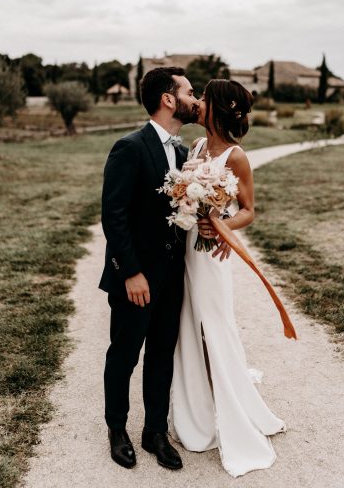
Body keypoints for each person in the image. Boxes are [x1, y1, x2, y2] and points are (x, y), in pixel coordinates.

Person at [169, 79, 286, 478]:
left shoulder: (237, 157)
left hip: (212, 257)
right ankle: (196, 416)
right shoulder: (198, 148)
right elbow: (189, 195)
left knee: (215, 328)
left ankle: (233, 413)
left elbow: (249, 210)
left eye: (203, 98)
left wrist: (220, 226)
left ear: (217, 107)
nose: (197, 103)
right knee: (189, 327)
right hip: (187, 250)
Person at [99, 67, 199, 470]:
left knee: (161, 354)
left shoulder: (182, 152)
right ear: (169, 99)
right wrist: (130, 272)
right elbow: (114, 216)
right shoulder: (130, 147)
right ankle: (117, 428)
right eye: (190, 92)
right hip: (135, 277)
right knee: (124, 354)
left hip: (173, 276)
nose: (196, 99)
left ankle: (154, 430)